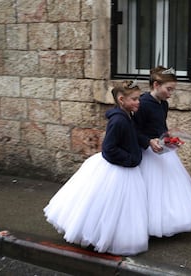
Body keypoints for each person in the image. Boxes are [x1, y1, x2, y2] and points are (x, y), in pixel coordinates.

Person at [43, 81, 148, 256]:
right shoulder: (118, 121)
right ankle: (98, 235)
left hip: (128, 166)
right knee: (107, 205)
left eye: (138, 99)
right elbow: (109, 149)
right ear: (122, 100)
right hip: (118, 168)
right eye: (135, 99)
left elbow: (132, 136)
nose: (139, 102)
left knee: (120, 207)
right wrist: (129, 159)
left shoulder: (127, 116)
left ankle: (114, 235)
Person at [134, 66, 191, 238]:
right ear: (156, 85)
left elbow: (160, 127)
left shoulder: (163, 104)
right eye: (169, 89)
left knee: (170, 187)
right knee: (151, 190)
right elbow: (134, 130)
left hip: (161, 150)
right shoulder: (142, 103)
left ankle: (171, 219)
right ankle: (148, 223)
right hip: (147, 152)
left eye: (173, 90)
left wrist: (169, 137)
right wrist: (148, 141)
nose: (171, 93)